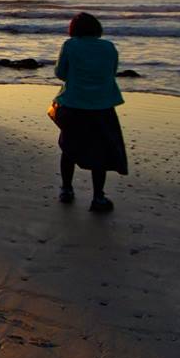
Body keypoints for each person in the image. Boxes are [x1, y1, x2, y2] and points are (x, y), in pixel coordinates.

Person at [50, 11, 129, 212]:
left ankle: (66, 190)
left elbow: (61, 74)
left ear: (74, 29)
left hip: (73, 105)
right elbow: (112, 73)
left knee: (68, 148)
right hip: (102, 106)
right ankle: (98, 197)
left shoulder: (70, 45)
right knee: (100, 152)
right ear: (97, 28)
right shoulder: (109, 47)